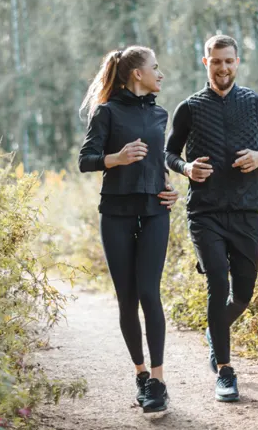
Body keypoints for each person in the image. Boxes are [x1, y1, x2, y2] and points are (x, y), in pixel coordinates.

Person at [164, 34, 258, 402]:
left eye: (229, 61)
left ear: (237, 61)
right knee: (218, 282)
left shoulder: (255, 103)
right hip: (205, 211)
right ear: (205, 63)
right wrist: (186, 168)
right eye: (216, 61)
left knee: (243, 293)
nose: (223, 68)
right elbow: (169, 153)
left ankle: (216, 332)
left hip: (247, 209)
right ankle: (226, 373)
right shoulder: (190, 108)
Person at [78, 46, 178, 413]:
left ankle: (158, 381)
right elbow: (85, 160)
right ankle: (140, 373)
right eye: (155, 67)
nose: (160, 73)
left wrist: (170, 187)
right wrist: (116, 159)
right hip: (117, 213)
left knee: (150, 293)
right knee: (127, 299)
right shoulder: (106, 113)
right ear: (137, 74)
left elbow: (158, 162)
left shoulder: (160, 113)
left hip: (155, 211)